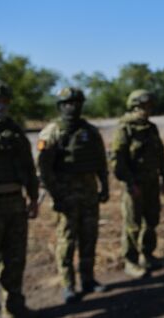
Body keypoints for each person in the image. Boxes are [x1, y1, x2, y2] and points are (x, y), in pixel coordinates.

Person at [37, 87, 109, 304]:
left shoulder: (91, 131)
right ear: (60, 106)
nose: (72, 107)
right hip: (65, 196)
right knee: (66, 242)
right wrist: (56, 196)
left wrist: (104, 187)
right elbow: (44, 170)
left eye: (76, 102)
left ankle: (88, 279)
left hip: (89, 195)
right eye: (68, 103)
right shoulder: (52, 132)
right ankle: (68, 285)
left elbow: (100, 162)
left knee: (89, 238)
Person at [0, 79, 39, 318]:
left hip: (15, 203)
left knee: (15, 259)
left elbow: (28, 166)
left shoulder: (14, 131)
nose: (0, 106)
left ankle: (14, 307)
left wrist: (33, 197)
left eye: (4, 101)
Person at [110, 89, 164, 278]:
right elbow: (117, 161)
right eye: (144, 107)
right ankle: (131, 261)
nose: (147, 110)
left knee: (151, 220)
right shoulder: (124, 128)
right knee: (132, 224)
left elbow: (160, 154)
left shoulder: (151, 128)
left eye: (149, 107)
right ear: (134, 106)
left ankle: (147, 254)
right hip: (134, 185)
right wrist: (130, 183)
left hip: (152, 182)